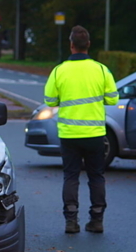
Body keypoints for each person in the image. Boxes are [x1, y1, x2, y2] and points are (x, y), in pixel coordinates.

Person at [43, 26, 119, 234]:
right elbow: (113, 98)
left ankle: (71, 221)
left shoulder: (59, 70)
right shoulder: (101, 70)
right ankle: (97, 220)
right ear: (88, 45)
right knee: (96, 176)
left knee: (71, 176)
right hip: (95, 134)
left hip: (69, 134)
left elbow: (50, 100)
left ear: (71, 45)